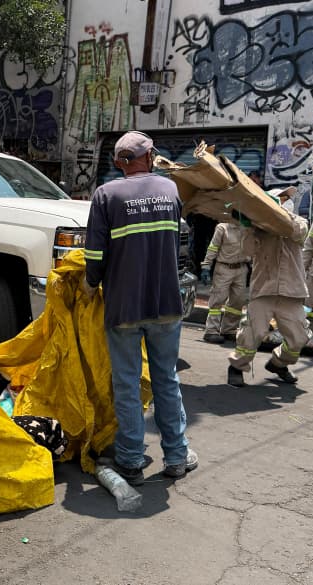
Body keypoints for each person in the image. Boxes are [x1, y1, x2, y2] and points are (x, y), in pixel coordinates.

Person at [82, 131, 198, 483]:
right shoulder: (170, 190)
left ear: (118, 162)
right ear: (150, 156)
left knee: (127, 385)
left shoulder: (106, 195)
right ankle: (177, 456)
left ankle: (131, 460)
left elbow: (94, 254)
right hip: (166, 303)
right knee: (166, 380)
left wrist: (90, 284)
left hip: (124, 307)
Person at [227, 189, 311, 387]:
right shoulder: (258, 228)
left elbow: (298, 232)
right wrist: (249, 227)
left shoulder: (299, 221)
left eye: (285, 199)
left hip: (291, 291)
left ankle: (278, 363)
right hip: (264, 289)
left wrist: (280, 216)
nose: (284, 201)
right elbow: (247, 251)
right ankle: (237, 367)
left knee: (299, 338)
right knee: (252, 333)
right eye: (279, 199)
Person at [199, 217, 250, 344]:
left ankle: (229, 330)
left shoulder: (248, 228)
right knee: (217, 300)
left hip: (241, 268)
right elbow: (213, 247)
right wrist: (206, 266)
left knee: (238, 301)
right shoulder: (222, 228)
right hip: (224, 268)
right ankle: (211, 331)